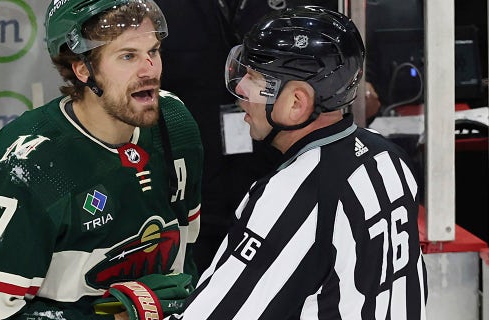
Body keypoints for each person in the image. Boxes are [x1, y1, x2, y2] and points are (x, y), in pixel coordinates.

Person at [0, 0, 203, 319]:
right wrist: (114, 314)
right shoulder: (24, 164)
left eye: (153, 51)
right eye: (128, 56)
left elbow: (188, 258)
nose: (149, 70)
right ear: (83, 69)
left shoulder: (176, 124)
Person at [167, 6, 427, 319]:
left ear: (296, 103)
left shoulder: (294, 195)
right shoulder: (388, 156)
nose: (239, 89)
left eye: (253, 77)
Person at [155, 0, 381, 274]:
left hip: (283, 190)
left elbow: (347, 72)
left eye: (250, 77)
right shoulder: (162, 9)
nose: (240, 89)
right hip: (194, 200)